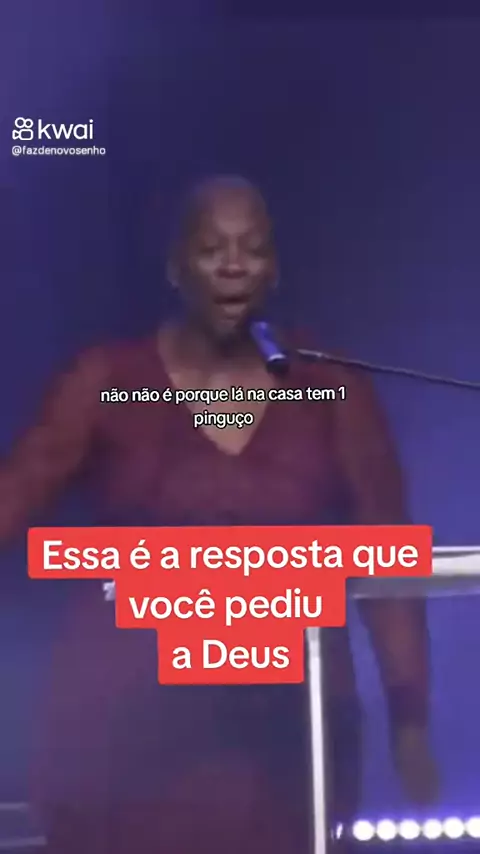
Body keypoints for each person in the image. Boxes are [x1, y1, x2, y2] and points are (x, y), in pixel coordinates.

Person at [0, 175, 437, 853]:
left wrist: (410, 718)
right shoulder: (106, 381)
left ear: (275, 268)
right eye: (212, 248)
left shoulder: (329, 387)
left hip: (285, 733)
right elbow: (15, 496)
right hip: (128, 733)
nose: (234, 264)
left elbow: (388, 552)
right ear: (176, 266)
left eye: (252, 249)